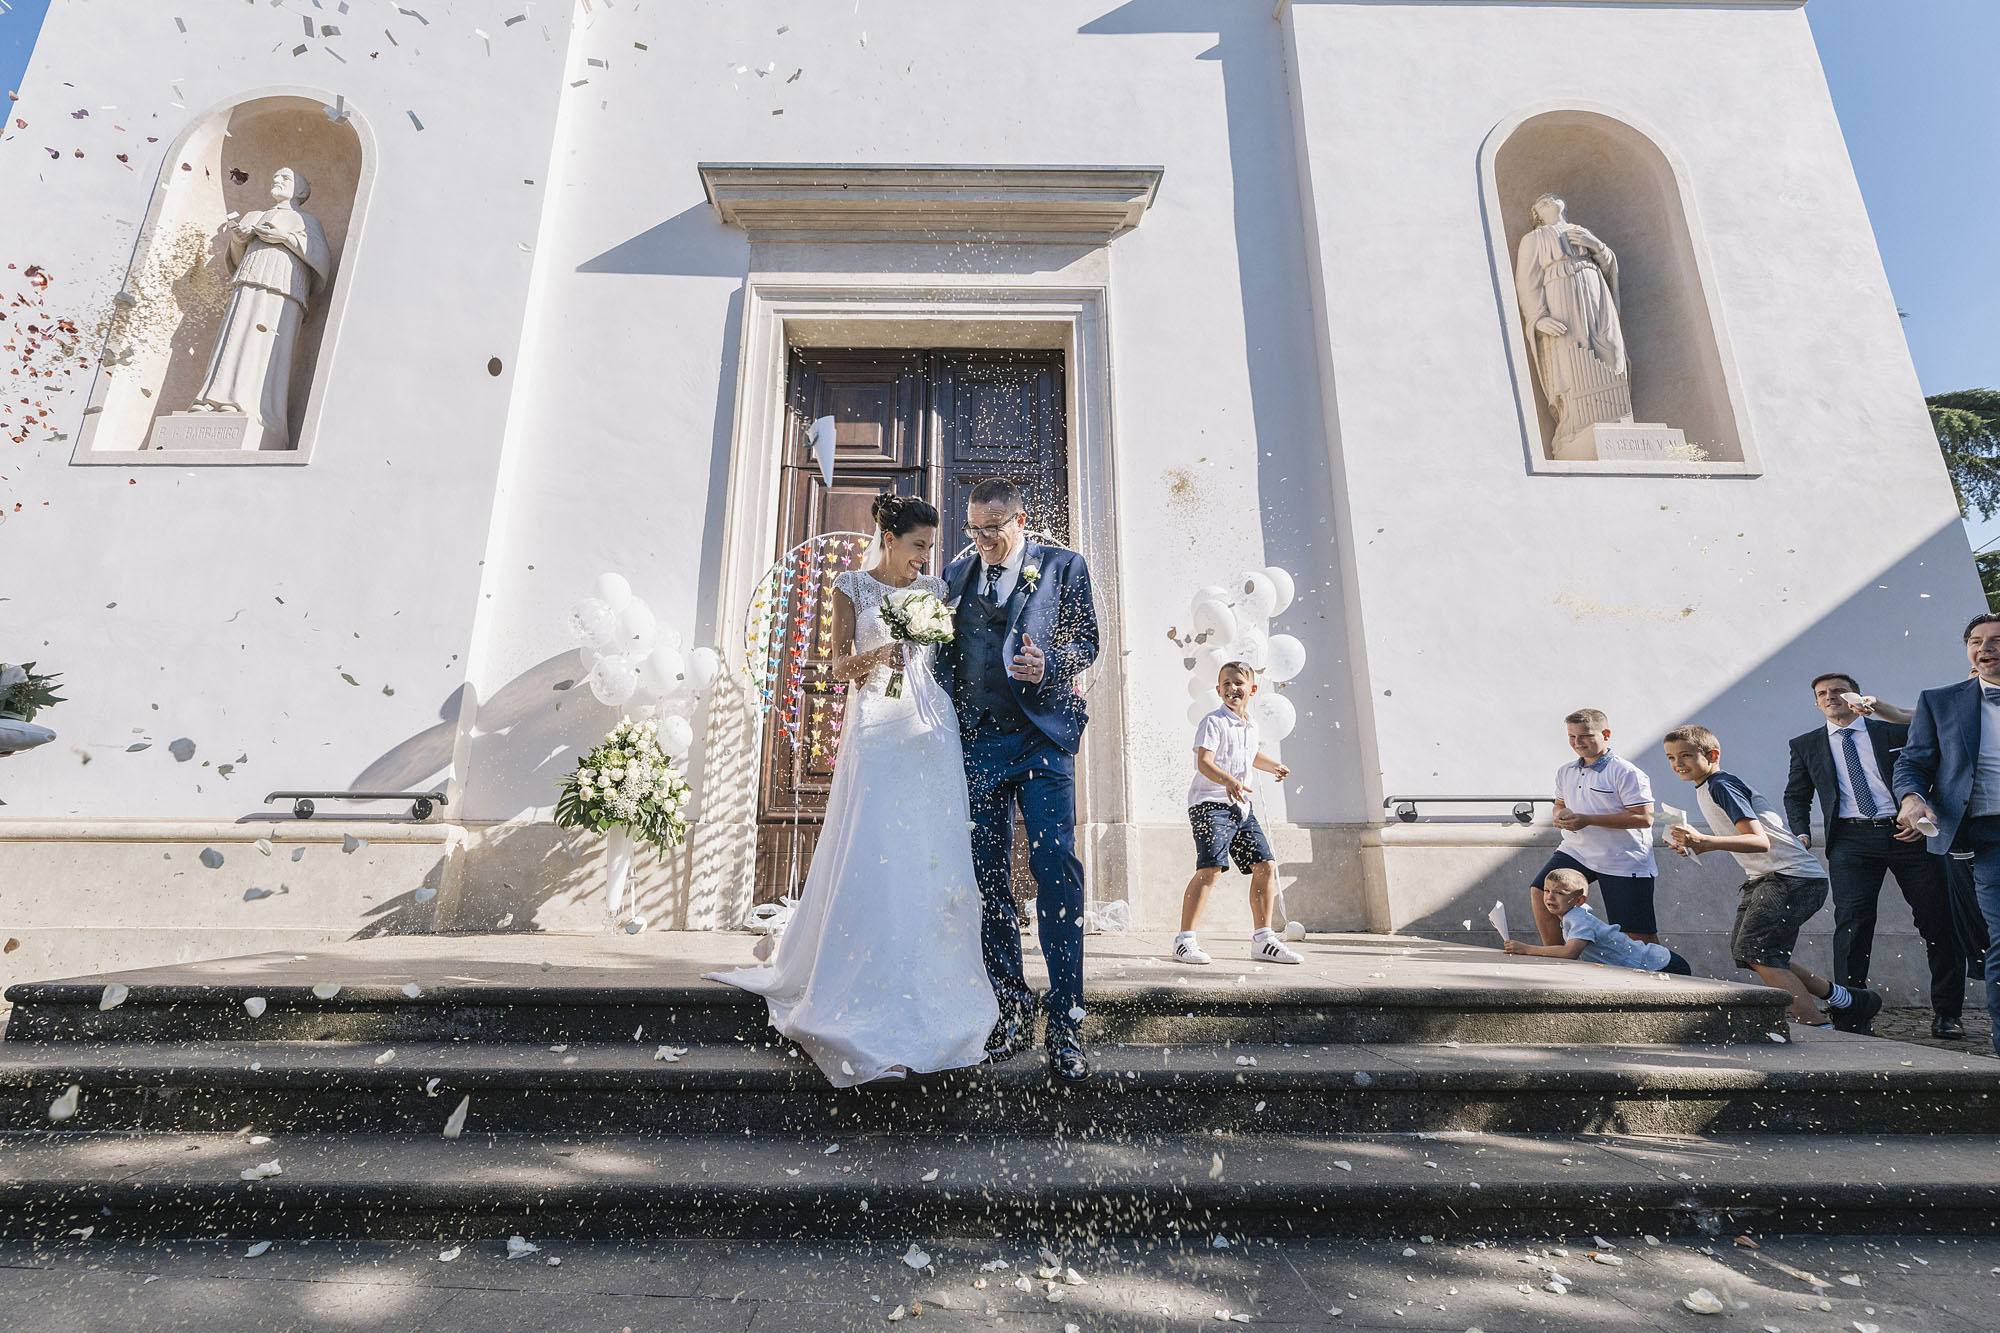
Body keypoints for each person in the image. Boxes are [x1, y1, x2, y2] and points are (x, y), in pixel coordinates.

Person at [707, 495, 998, 1086]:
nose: (926, 557)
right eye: (918, 544)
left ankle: (933, 987)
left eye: (931, 547)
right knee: (877, 849)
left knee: (929, 854)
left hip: (929, 728)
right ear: (888, 537)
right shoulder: (852, 588)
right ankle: (863, 998)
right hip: (877, 725)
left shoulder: (938, 591)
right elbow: (835, 667)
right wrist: (880, 654)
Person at [936, 478, 1100, 1082]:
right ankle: (1010, 1009)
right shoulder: (955, 578)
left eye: (994, 527)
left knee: (1055, 865)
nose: (983, 540)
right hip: (976, 743)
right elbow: (942, 655)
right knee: (986, 877)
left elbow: (1087, 642)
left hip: (1041, 739)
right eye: (974, 528)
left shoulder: (1064, 566)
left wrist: (1050, 662)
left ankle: (1066, 1022)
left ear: (1022, 520)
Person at [1784, 673, 1964, 1038]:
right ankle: (1852, 1013)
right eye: (1823, 694)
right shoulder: (1806, 744)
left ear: (1854, 697)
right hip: (1851, 840)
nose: (1831, 697)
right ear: (1816, 704)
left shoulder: (1893, 733)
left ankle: (1948, 1014)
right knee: (1852, 925)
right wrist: (1800, 832)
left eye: (1838, 691)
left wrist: (1922, 811)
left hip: (1909, 835)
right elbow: (1796, 794)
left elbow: (1933, 773)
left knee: (1938, 922)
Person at [1663, 724, 1874, 1029]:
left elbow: (1759, 841)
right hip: (1770, 877)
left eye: (1685, 755)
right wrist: (1700, 847)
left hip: (1791, 878)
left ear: (1712, 754)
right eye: (1671, 758)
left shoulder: (1721, 784)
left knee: (1760, 953)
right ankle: (1850, 1001)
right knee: (1751, 952)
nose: (1677, 763)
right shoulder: (1708, 787)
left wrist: (1705, 841)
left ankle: (1818, 1027)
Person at [1894, 612, 2000, 1057]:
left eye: (1996, 640)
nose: (1985, 647)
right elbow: (1912, 763)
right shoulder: (1940, 701)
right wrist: (1912, 797)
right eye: (1976, 641)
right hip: (1988, 834)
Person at [1174, 662, 1299, 966]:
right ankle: (1184, 941)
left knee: (1266, 865)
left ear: (1252, 689)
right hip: (1210, 805)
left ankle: (1263, 940)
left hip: (1240, 806)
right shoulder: (1213, 722)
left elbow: (1249, 754)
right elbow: (1204, 762)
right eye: (1226, 684)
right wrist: (1229, 781)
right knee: (1211, 868)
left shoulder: (1251, 725)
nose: (1232, 688)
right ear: (1218, 690)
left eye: (1238, 683)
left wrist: (1273, 766)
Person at [1532, 709, 1659, 946]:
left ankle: (1669, 976)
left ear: (1606, 734)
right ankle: (1556, 957)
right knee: (1541, 891)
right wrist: (1559, 816)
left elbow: (1645, 818)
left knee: (1637, 937)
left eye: (1585, 736)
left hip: (1623, 859)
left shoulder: (1627, 772)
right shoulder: (1565, 771)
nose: (1577, 742)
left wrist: (1588, 820)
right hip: (1576, 850)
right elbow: (1559, 804)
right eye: (1572, 737)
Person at [1505, 869, 1692, 974]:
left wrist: (1527, 949)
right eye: (1547, 891)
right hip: (1656, 962)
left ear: (1579, 900)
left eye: (1560, 893)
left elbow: (1570, 952)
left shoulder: (1578, 919)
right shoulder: (1576, 914)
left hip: (1663, 965)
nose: (1550, 897)